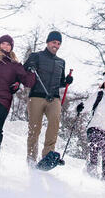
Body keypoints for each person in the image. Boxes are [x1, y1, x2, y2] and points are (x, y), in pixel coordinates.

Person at [22, 30, 73, 165]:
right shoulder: (36, 56)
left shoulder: (61, 62)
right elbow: (24, 70)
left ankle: (47, 155)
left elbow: (61, 82)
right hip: (37, 96)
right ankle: (32, 158)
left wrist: (67, 80)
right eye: (53, 42)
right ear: (48, 42)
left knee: (55, 122)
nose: (55, 45)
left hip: (54, 97)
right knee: (35, 128)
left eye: (58, 43)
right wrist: (30, 66)